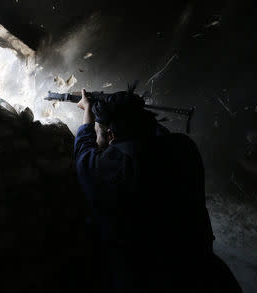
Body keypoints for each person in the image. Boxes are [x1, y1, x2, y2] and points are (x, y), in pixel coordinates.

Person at [74, 88, 242, 292]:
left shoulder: (111, 168)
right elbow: (154, 136)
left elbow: (84, 151)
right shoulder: (184, 147)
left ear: (111, 135)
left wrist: (88, 113)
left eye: (100, 131)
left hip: (146, 281)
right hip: (208, 274)